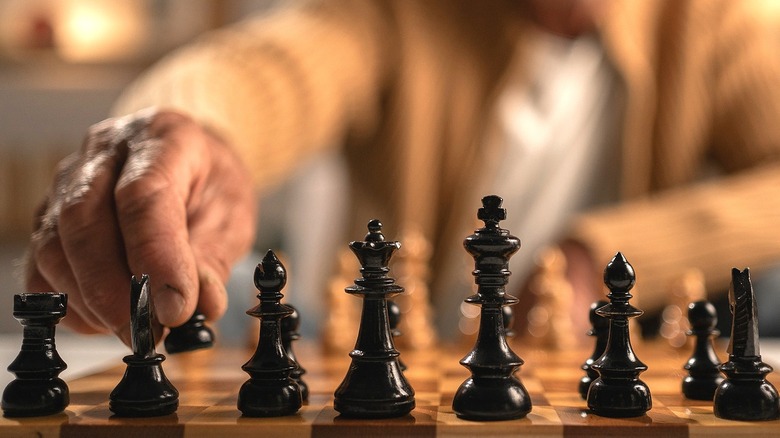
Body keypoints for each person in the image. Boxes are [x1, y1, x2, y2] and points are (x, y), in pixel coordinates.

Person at [23, 0, 780, 344]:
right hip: (376, 352)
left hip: (595, 368)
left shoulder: (716, 25)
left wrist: (605, 254)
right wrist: (176, 127)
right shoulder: (394, 13)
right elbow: (271, 68)